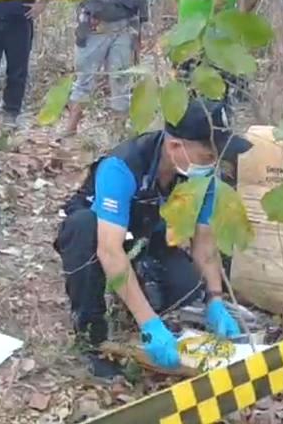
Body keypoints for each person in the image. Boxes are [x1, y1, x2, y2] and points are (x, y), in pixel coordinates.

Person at [53, 98, 251, 378]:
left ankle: (138, 295)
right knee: (83, 227)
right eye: (208, 155)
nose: (214, 163)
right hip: (102, 234)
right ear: (174, 147)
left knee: (187, 286)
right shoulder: (121, 166)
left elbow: (204, 242)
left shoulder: (200, 179)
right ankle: (91, 335)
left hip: (146, 235)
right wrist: (150, 325)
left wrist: (215, 299)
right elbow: (109, 250)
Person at [63, 0, 147, 137]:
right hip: (94, 32)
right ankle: (69, 131)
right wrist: (122, 0)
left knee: (121, 81)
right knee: (84, 80)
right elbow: (96, 6)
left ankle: (118, 134)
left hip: (123, 32)